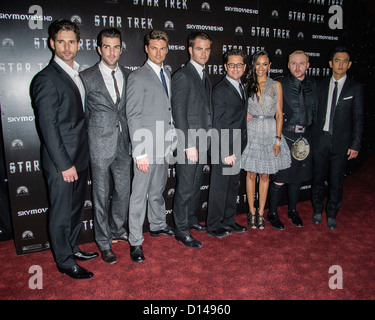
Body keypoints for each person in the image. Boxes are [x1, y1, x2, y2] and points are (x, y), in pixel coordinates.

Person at [30, 19, 98, 279]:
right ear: (51, 44)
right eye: (61, 42)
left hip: (79, 157)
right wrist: (64, 164)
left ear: (79, 44)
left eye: (71, 42)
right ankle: (64, 261)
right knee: (60, 213)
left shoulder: (76, 74)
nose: (67, 47)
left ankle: (72, 247)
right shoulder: (46, 79)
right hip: (62, 162)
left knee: (74, 210)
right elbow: (48, 127)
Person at [80, 28, 132, 264]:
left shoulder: (130, 75)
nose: (112, 51)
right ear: (99, 48)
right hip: (99, 144)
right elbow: (82, 115)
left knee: (123, 192)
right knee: (100, 195)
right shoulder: (86, 77)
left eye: (116, 46)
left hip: (125, 143)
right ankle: (103, 242)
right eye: (107, 46)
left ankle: (117, 230)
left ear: (121, 48)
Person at [126, 30, 175, 262]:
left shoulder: (167, 73)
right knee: (139, 196)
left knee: (157, 191)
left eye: (162, 48)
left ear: (167, 49)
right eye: (154, 48)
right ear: (146, 49)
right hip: (146, 148)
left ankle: (157, 225)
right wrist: (140, 152)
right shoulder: (137, 76)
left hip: (165, 146)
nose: (158, 52)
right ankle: (135, 241)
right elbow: (133, 115)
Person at [312, 46, 364, 230]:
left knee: (336, 181)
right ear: (330, 63)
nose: (340, 64)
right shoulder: (319, 85)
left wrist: (356, 143)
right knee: (317, 179)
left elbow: (358, 117)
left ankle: (332, 213)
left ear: (349, 64)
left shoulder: (355, 88)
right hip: (320, 140)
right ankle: (317, 210)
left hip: (342, 143)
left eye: (344, 61)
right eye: (337, 60)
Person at [267, 50, 318, 230]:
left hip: (306, 138)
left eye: (302, 63)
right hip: (285, 136)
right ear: (288, 65)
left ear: (308, 65)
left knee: (297, 178)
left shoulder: (314, 85)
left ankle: (293, 211)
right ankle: (272, 213)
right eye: (294, 63)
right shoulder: (278, 83)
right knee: (280, 178)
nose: (298, 67)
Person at [241, 50, 291, 230]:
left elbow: (279, 114)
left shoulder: (276, 85)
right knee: (251, 174)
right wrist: (243, 114)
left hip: (270, 131)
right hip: (252, 131)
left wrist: (277, 140)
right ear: (253, 65)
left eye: (264, 64)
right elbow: (239, 107)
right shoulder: (246, 83)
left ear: (269, 66)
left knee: (265, 175)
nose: (261, 68)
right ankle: (251, 211)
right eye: (257, 64)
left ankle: (261, 212)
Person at [171, 31, 213, 247]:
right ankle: (181, 230)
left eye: (207, 49)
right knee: (185, 187)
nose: (204, 53)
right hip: (189, 143)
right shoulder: (182, 75)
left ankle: (191, 219)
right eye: (199, 48)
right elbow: (179, 114)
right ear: (190, 50)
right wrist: (187, 144)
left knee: (196, 185)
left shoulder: (204, 74)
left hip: (203, 141)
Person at [206, 49, 248, 237]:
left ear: (245, 67)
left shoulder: (241, 87)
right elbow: (217, 124)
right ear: (225, 67)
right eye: (231, 64)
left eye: (239, 64)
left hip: (238, 145)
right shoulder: (220, 90)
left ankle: (229, 220)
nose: (235, 68)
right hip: (224, 148)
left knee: (232, 187)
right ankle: (214, 226)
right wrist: (225, 152)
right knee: (219, 188)